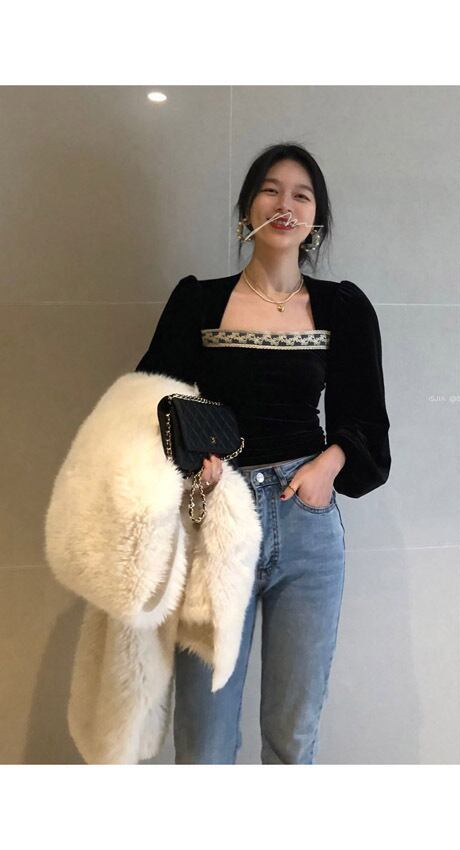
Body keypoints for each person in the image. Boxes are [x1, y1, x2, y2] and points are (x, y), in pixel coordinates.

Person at [135, 141, 391, 764]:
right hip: (217, 520)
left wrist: (327, 467)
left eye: (302, 195)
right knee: (204, 741)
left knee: (292, 737)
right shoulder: (199, 301)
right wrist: (191, 465)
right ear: (247, 207)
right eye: (271, 190)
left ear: (316, 218)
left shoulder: (342, 308)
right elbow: (149, 403)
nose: (285, 204)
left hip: (307, 520)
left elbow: (366, 421)